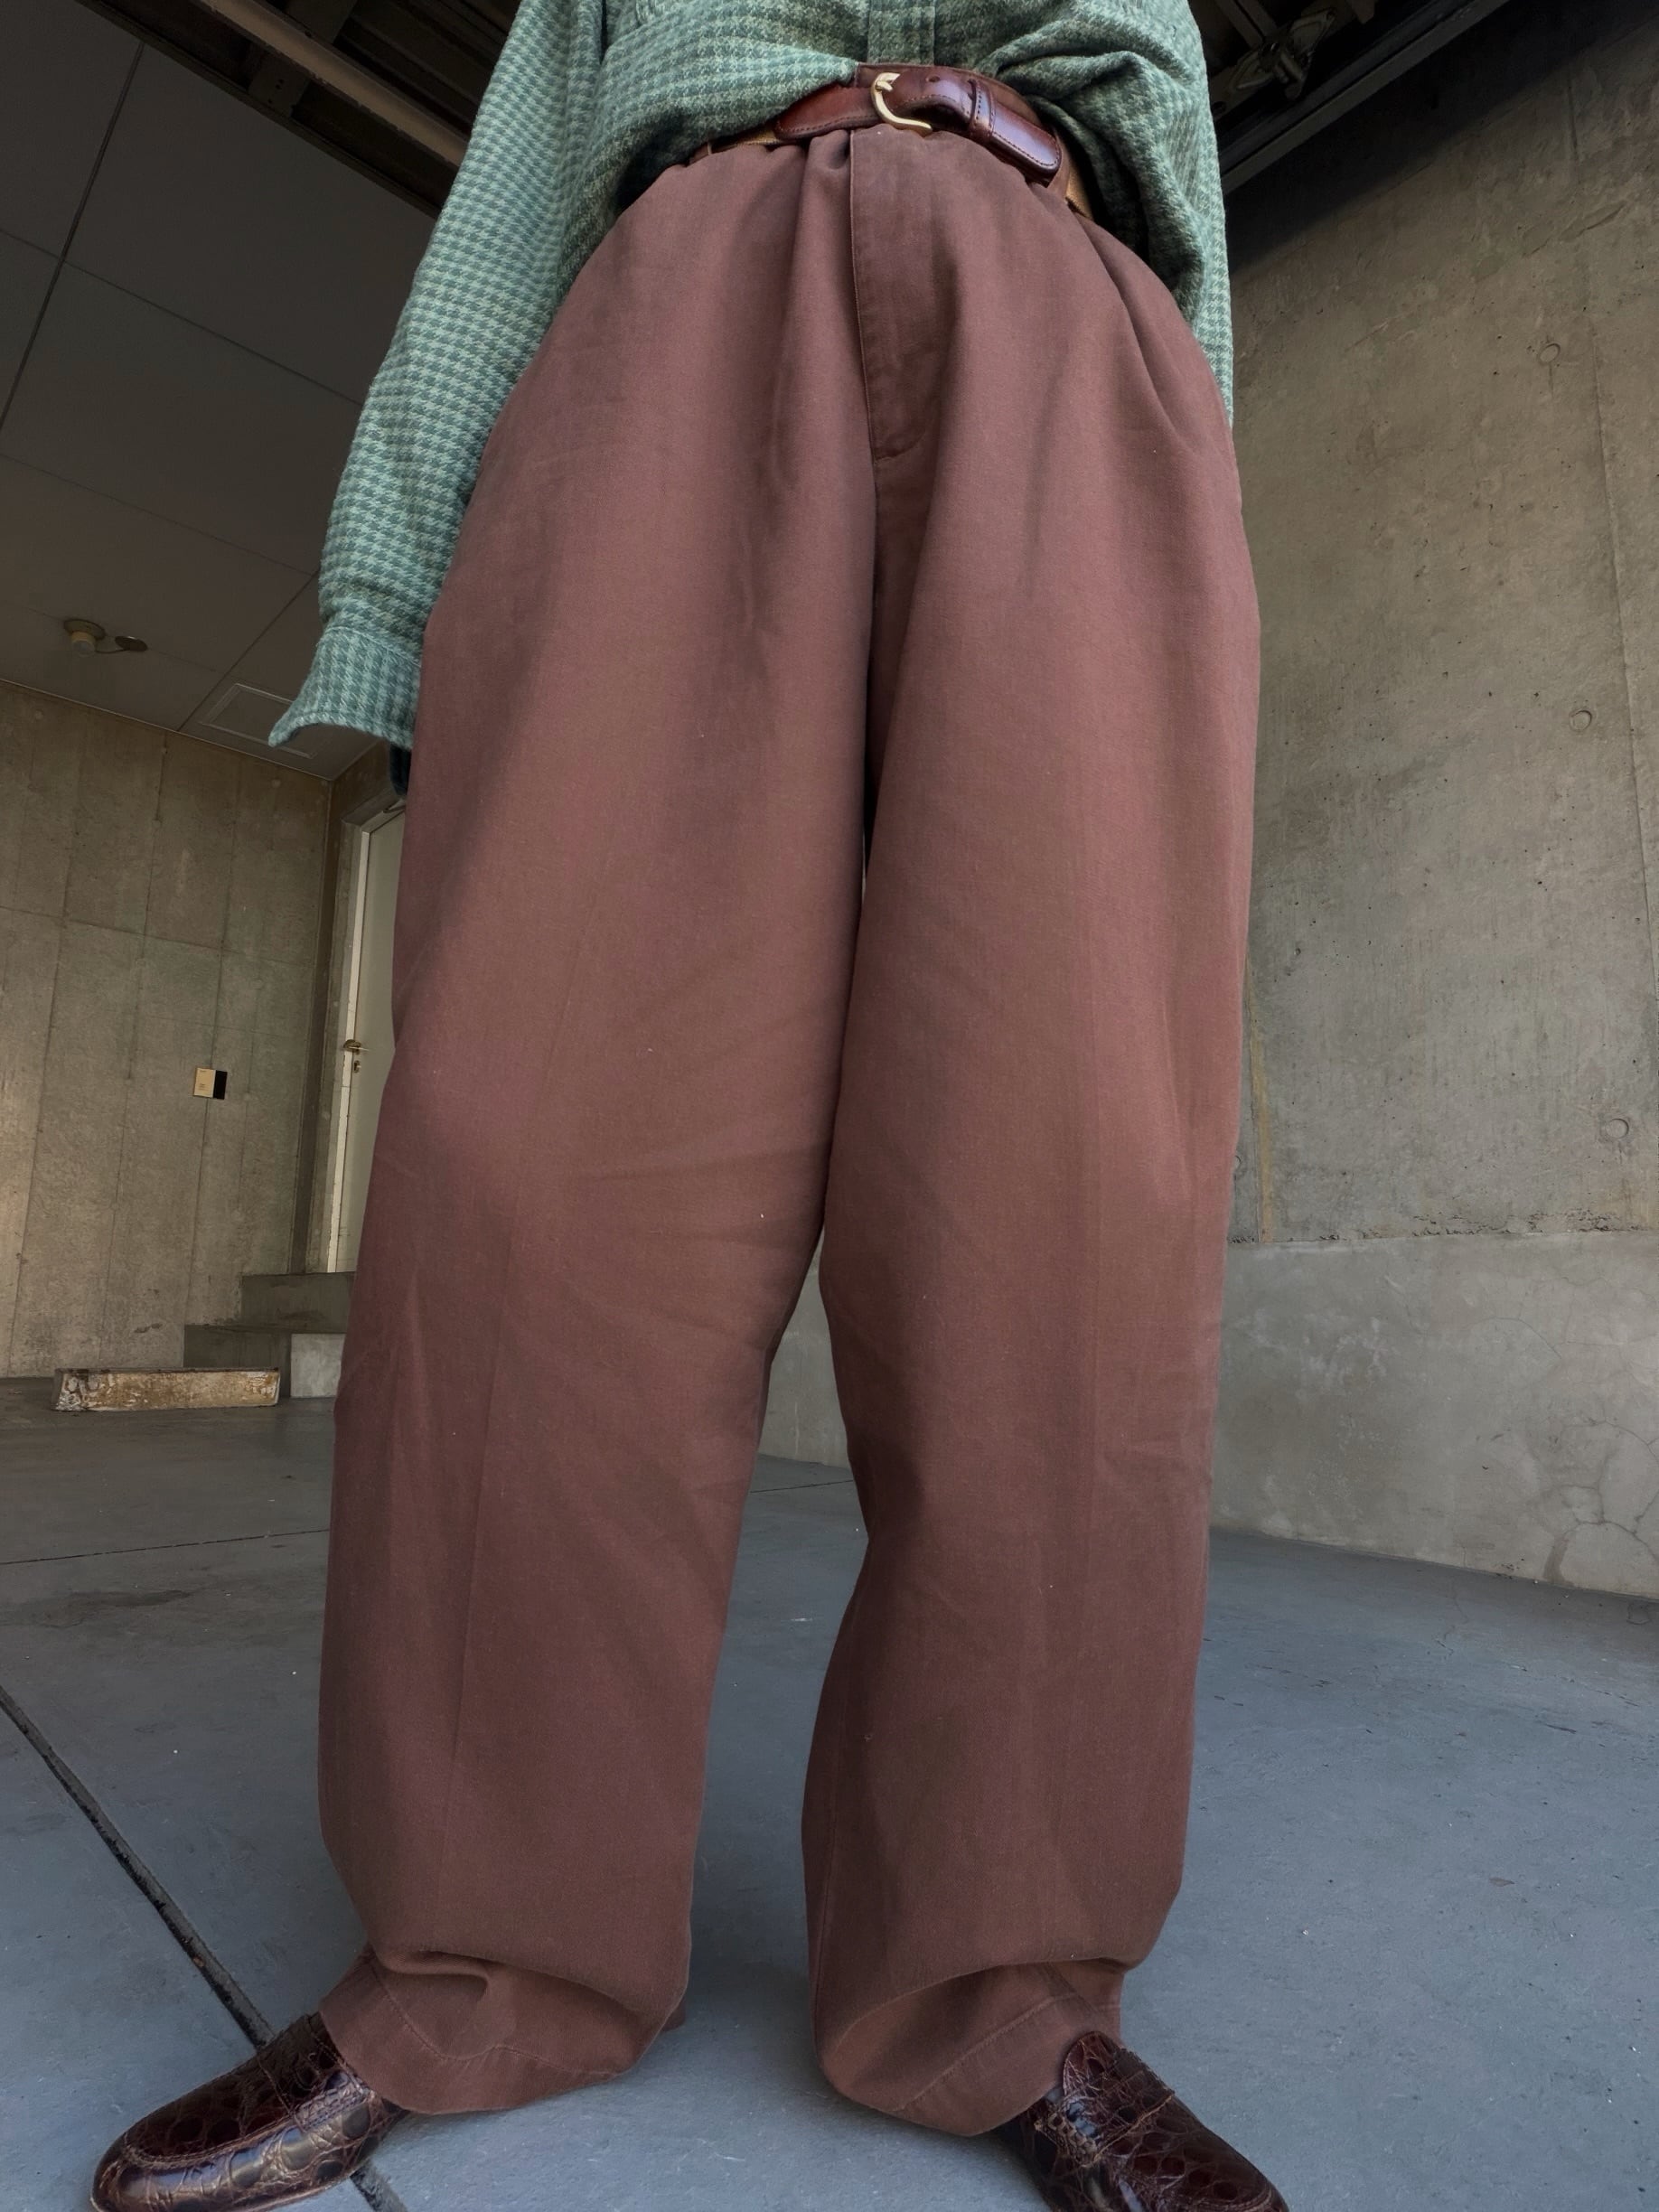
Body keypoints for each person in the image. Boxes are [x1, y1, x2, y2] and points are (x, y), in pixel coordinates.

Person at [91, 6, 1278, 2209]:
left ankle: (1010, 1987)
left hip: (1069, 323)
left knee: (1066, 1217)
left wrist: (1178, 544)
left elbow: (1185, 175)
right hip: (682, 309)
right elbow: (526, 175)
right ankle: (473, 1959)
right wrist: (394, 606)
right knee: (536, 1184)